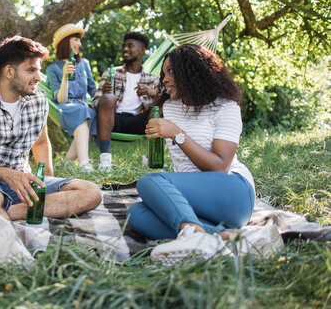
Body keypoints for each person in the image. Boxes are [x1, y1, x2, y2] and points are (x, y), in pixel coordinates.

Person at [0, 36, 102, 267]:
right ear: (9, 71)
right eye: (31, 70)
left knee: (91, 192)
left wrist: (47, 182)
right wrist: (7, 175)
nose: (39, 77)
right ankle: (11, 254)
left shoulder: (38, 99)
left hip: (20, 179)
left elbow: (40, 144)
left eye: (38, 70)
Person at [127, 44, 282, 266]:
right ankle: (231, 239)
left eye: (171, 72)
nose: (164, 79)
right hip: (196, 200)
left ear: (192, 72)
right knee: (136, 213)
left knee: (150, 181)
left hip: (232, 191)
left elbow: (220, 165)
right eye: (163, 74)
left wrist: (177, 134)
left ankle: (192, 234)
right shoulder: (169, 107)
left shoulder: (226, 107)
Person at [92, 32, 159, 170]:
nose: (125, 49)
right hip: (112, 120)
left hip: (136, 122)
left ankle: (152, 155)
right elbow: (95, 103)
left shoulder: (152, 79)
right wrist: (105, 95)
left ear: (142, 50)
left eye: (130, 46)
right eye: (124, 46)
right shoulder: (112, 73)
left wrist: (153, 93)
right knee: (109, 98)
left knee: (159, 107)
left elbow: (165, 102)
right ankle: (105, 158)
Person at [46, 24, 97, 171]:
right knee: (82, 112)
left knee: (92, 114)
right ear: (65, 41)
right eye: (76, 39)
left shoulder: (84, 64)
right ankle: (84, 163)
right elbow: (61, 100)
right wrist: (65, 78)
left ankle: (67, 162)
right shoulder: (52, 69)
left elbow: (93, 89)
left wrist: (104, 96)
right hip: (65, 108)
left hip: (84, 107)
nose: (79, 44)